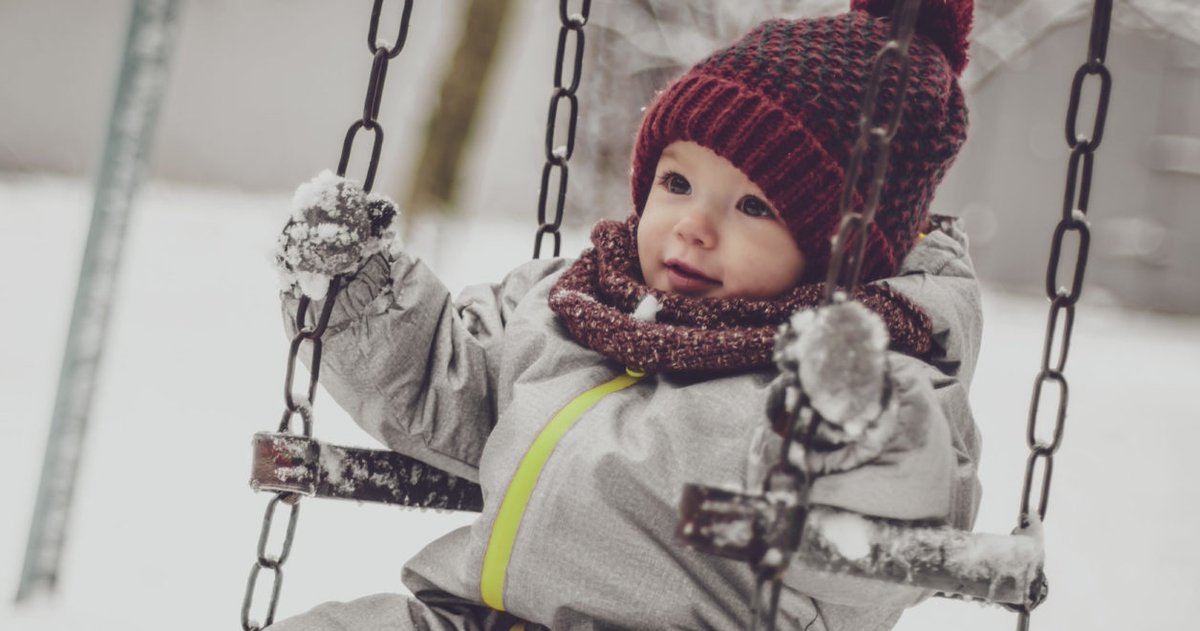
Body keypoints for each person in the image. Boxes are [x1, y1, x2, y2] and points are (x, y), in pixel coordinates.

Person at [269, 1, 982, 629]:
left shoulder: (855, 381)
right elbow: (442, 381)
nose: (693, 226)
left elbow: (878, 553)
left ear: (841, 259)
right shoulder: (574, 302)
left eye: (755, 206)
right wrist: (356, 289)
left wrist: (847, 421)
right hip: (469, 615)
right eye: (677, 182)